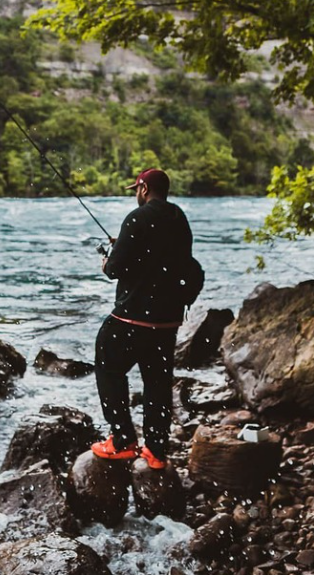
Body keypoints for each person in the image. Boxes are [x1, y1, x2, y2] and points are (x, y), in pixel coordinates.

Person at [92, 168, 193, 469]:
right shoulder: (179, 218)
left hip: (133, 318)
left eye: (136, 189)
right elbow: (167, 257)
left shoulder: (137, 218)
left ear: (145, 188)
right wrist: (123, 242)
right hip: (167, 321)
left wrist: (108, 260)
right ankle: (156, 451)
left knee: (107, 365)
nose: (136, 194)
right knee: (157, 383)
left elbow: (115, 270)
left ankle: (122, 440)